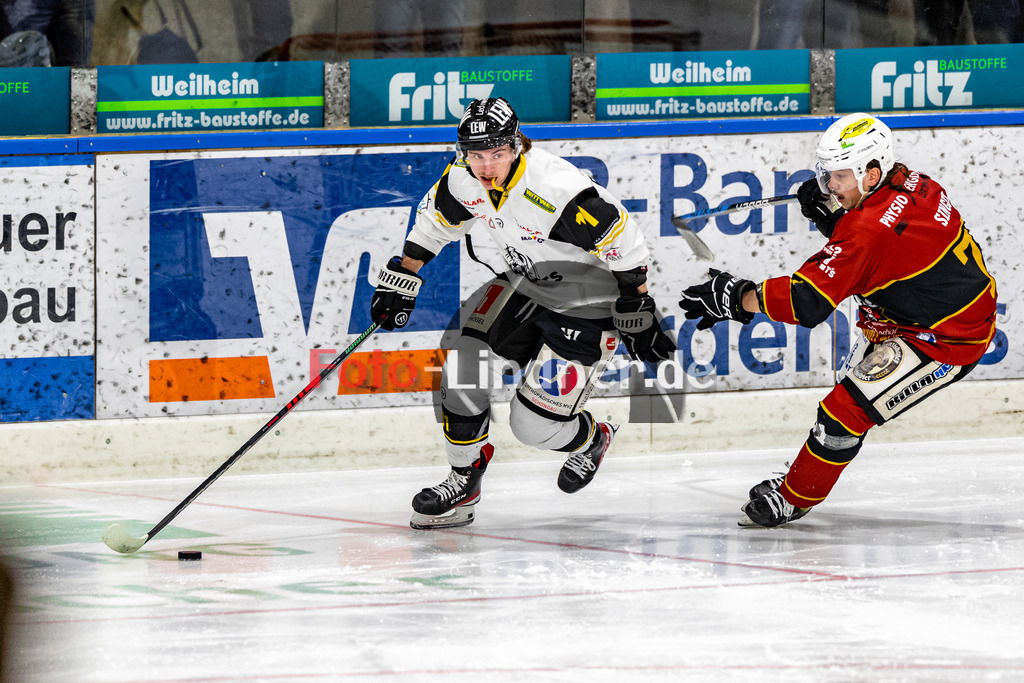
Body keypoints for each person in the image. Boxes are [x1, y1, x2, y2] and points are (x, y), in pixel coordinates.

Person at [679, 112, 998, 528]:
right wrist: (831, 219)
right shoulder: (911, 181)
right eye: (828, 176)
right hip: (909, 313)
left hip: (945, 338)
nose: (831, 186)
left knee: (843, 413)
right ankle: (804, 475)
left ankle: (796, 497)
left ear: (872, 172)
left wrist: (735, 298)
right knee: (847, 401)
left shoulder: (866, 231)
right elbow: (880, 252)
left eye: (839, 178)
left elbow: (808, 301)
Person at [371, 97, 676, 530]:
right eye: (476, 155)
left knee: (532, 429)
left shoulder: (556, 187)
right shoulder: (463, 178)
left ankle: (592, 439)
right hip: (523, 283)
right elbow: (434, 223)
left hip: (587, 302)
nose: (486, 165)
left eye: (496, 153)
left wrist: (637, 302)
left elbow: (623, 240)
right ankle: (463, 481)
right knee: (461, 360)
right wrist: (402, 277)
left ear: (516, 146)